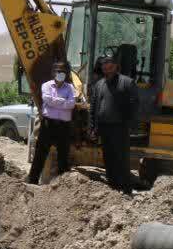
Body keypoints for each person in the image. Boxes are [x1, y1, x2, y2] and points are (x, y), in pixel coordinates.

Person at [89, 53, 138, 194]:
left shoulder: (127, 83)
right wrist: (92, 128)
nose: (107, 68)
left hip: (120, 128)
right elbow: (93, 107)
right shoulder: (99, 85)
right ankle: (113, 189)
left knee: (122, 159)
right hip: (104, 128)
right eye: (104, 65)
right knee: (108, 158)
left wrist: (130, 124)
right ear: (102, 67)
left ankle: (126, 189)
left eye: (110, 65)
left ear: (116, 66)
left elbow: (134, 106)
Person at [26, 60, 77, 185]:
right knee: (40, 154)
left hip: (64, 126)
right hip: (48, 124)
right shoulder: (46, 85)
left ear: (67, 72)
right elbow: (47, 100)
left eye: (63, 71)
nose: (60, 73)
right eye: (58, 71)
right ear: (53, 72)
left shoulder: (70, 87)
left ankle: (61, 184)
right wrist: (63, 102)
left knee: (63, 156)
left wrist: (56, 102)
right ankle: (32, 181)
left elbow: (71, 104)